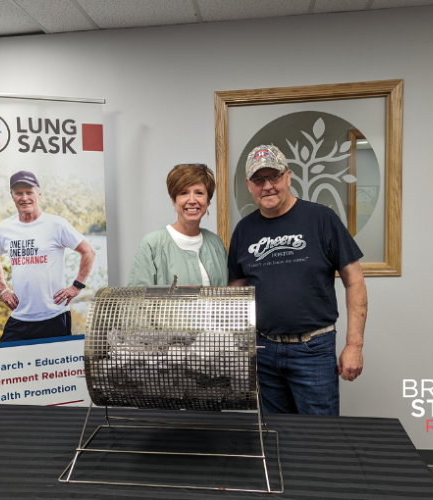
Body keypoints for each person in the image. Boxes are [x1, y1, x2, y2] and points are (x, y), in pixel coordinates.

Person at [228, 145, 368, 415]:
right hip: (264, 350)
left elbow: (355, 282)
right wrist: (238, 348)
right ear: (249, 185)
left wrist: (354, 345)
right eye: (259, 180)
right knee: (277, 438)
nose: (267, 186)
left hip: (313, 349)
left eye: (274, 177)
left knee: (319, 439)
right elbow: (236, 293)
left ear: (288, 176)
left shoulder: (321, 218)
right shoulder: (244, 230)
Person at [0, 170, 96, 343]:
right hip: (20, 316)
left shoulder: (56, 224)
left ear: (39, 193)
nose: (24, 198)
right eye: (18, 193)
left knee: (58, 367)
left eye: (29, 192)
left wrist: (76, 286)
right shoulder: (4, 228)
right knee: (4, 362)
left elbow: (88, 251)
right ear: (12, 196)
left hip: (54, 316)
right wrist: (3, 290)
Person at [128, 164, 228, 287]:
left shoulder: (216, 244)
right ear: (174, 200)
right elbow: (137, 301)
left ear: (208, 201)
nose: (192, 200)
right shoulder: (152, 245)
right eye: (184, 193)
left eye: (199, 193)